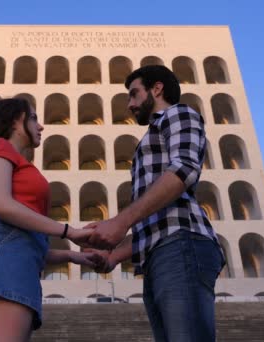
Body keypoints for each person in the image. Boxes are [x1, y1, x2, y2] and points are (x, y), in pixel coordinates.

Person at [86, 65, 225, 341]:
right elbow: (154, 223)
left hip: (182, 245)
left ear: (157, 88)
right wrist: (113, 256)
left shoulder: (179, 113)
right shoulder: (150, 136)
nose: (130, 104)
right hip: (161, 253)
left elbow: (184, 169)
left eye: (134, 94)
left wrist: (121, 221)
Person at [0, 98, 101, 342]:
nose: (41, 126)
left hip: (17, 266)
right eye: (33, 118)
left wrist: (71, 256)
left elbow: (23, 242)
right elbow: (1, 205)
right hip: (4, 267)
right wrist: (69, 231)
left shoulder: (17, 160)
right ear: (15, 121)